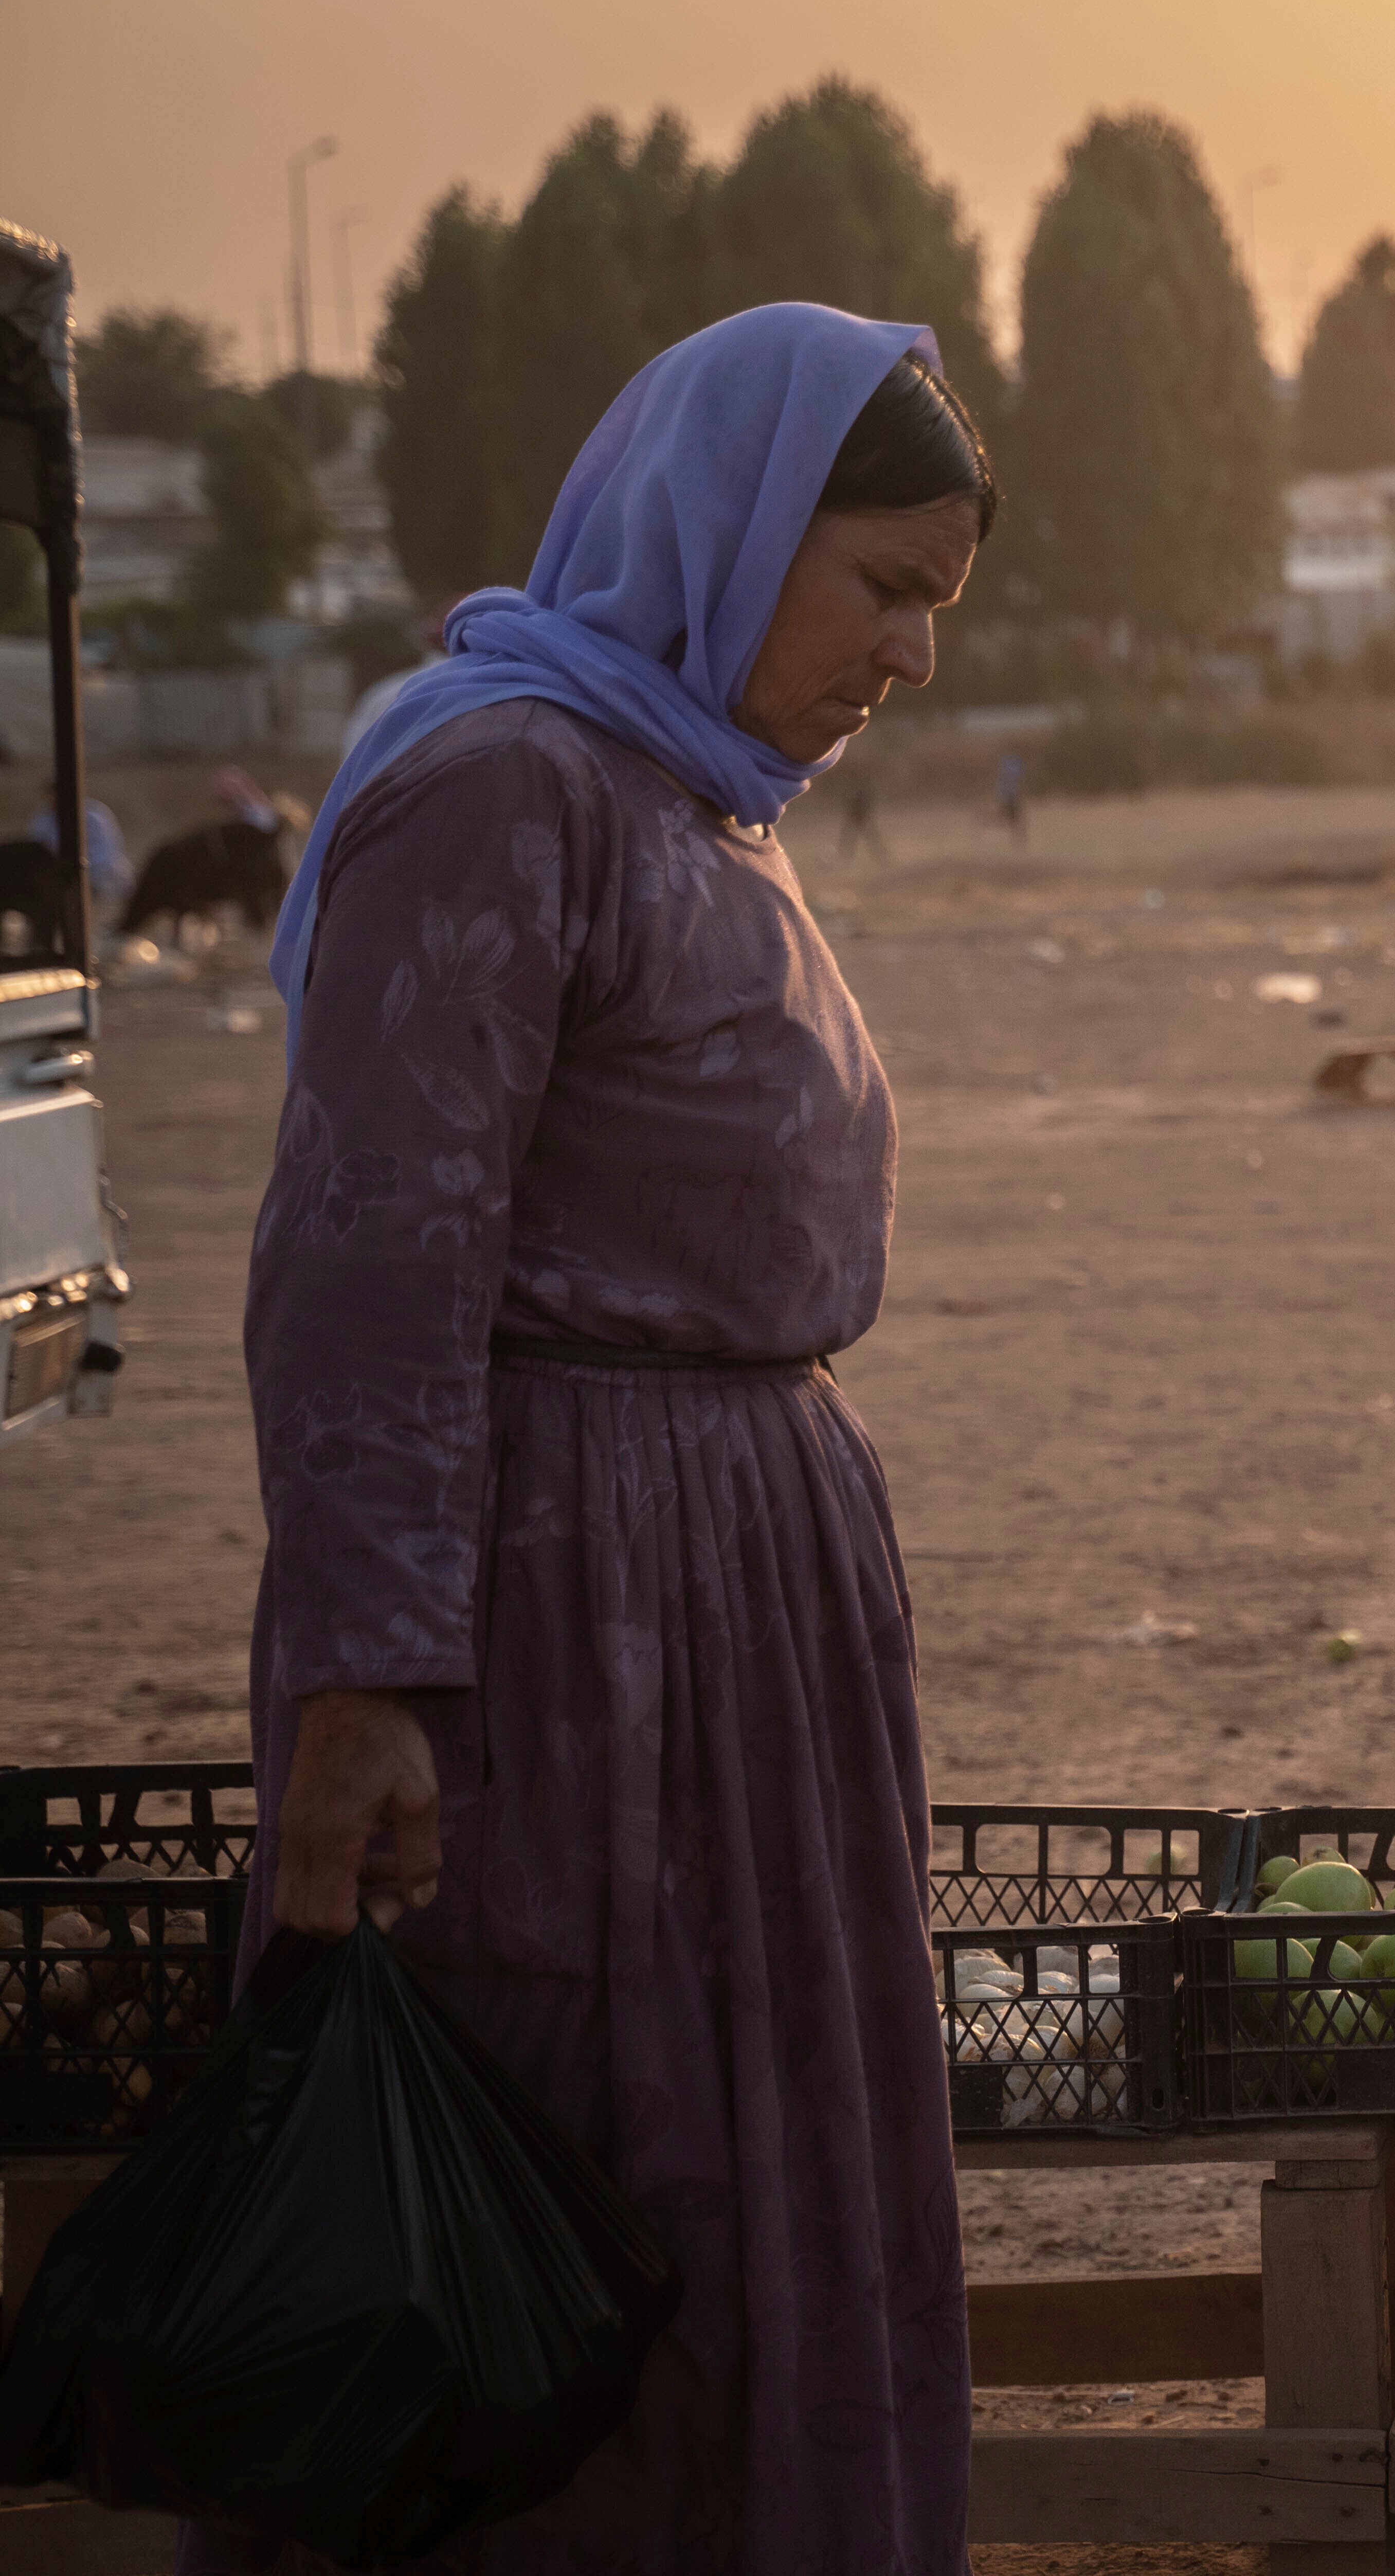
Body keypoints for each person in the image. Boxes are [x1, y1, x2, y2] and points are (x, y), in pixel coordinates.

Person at [230, 304, 992, 2574]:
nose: (910, 659)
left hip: (733, 1625)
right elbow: (372, 1256)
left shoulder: (691, 801)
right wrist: (370, 1686)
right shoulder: (501, 789)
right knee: (573, 2189)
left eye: (939, 608)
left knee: (747, 2197)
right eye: (883, 585)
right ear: (724, 529)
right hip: (553, 1641)